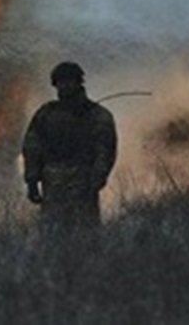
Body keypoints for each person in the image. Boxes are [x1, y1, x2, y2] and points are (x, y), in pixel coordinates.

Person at [22, 61, 118, 230]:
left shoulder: (96, 115)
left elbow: (105, 150)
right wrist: (32, 181)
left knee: (85, 234)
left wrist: (97, 180)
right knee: (52, 234)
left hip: (83, 181)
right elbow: (32, 147)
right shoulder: (46, 113)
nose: (64, 87)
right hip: (52, 182)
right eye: (60, 83)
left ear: (78, 83)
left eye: (69, 82)